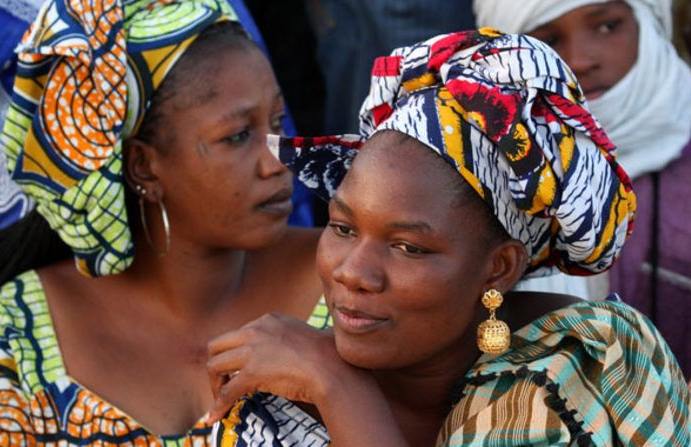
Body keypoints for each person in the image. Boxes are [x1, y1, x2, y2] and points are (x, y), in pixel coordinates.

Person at [203, 30, 690, 446]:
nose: (353, 271)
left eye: (408, 247)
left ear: (499, 267)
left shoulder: (591, 368)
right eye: (343, 227)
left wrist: (343, 393)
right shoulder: (276, 406)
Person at [0, 0, 323, 444]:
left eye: (276, 122)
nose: (278, 160)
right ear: (143, 168)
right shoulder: (28, 328)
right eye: (237, 136)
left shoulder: (346, 283)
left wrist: (335, 387)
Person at [475, 0, 691, 380]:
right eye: (548, 41)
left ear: (649, 22)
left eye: (608, 26)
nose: (579, 60)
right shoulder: (474, 165)